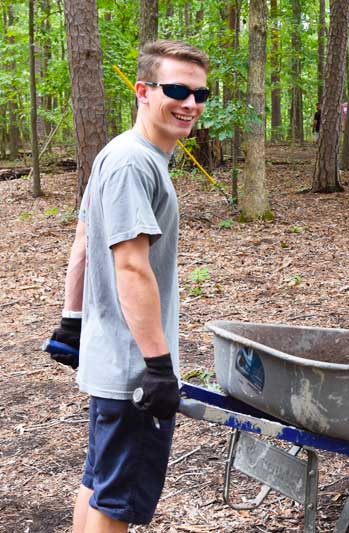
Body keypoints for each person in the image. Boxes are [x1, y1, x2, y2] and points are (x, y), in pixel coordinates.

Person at [47, 40, 210, 533]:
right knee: (116, 502)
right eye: (177, 89)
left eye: (201, 94)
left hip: (113, 357)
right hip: (133, 370)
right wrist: (159, 368)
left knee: (99, 484)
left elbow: (83, 240)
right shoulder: (132, 162)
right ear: (143, 91)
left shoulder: (120, 154)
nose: (190, 103)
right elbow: (132, 267)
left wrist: (72, 322)